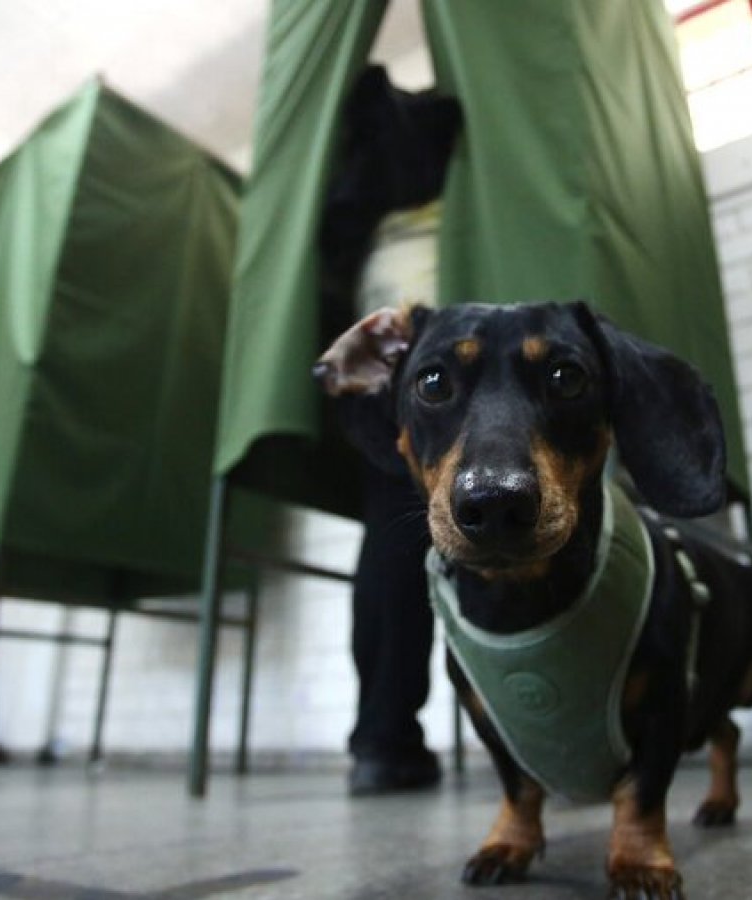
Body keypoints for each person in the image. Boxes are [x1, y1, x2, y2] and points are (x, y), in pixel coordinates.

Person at [317, 66, 461, 795]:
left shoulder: (363, 194)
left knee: (393, 541)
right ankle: (537, 733)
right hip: (456, 362)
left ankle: (382, 738)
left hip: (386, 369)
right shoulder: (467, 186)